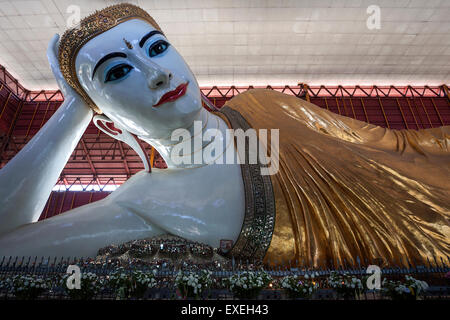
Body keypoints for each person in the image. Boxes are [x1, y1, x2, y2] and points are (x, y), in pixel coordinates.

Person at [0, 4, 448, 268]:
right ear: (110, 124)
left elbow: (392, 149)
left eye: (157, 48)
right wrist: (73, 109)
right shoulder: (146, 204)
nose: (157, 74)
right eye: (118, 72)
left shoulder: (264, 107)